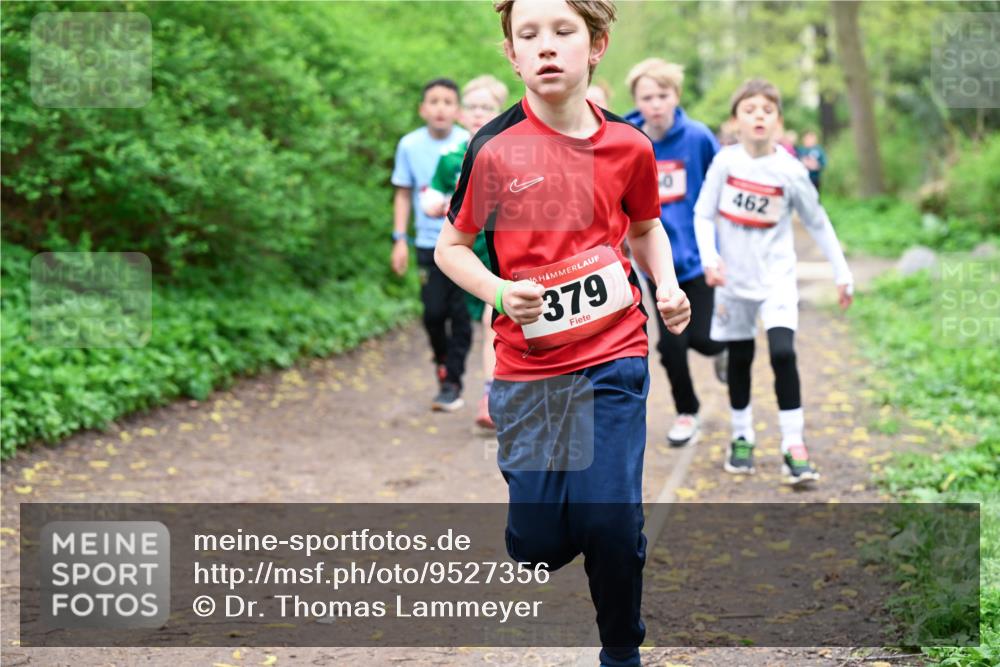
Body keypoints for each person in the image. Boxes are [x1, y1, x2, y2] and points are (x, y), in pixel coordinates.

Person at [434, 2, 691, 665]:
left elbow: (644, 227)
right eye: (529, 35)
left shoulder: (629, 147)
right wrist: (497, 290)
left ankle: (621, 649)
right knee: (540, 544)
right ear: (512, 55)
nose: (545, 47)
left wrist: (665, 282)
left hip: (614, 351)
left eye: (562, 32)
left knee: (610, 519)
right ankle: (551, 521)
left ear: (597, 44)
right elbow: (451, 247)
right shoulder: (491, 148)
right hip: (528, 367)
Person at [693, 79, 854, 486]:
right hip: (733, 281)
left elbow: (818, 222)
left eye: (767, 109)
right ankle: (742, 437)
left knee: (783, 353)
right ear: (735, 121)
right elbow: (703, 214)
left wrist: (842, 271)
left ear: (778, 121)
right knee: (741, 359)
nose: (759, 116)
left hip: (777, 279)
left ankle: (793, 445)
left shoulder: (790, 170)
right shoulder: (725, 163)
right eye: (750, 109)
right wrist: (710, 259)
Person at [623, 57, 727, 447]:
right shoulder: (629, 137)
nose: (655, 104)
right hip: (652, 260)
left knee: (702, 338)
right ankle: (687, 412)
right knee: (670, 344)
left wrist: (721, 250)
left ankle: (726, 349)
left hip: (698, 257)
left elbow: (721, 189)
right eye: (647, 97)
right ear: (636, 100)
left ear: (676, 97)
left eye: (662, 96)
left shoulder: (698, 137)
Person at [421, 75, 510, 430]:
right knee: (453, 319)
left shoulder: (509, 152)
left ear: (499, 113)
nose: (478, 114)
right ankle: (461, 380)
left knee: (493, 320)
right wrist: (435, 202)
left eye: (486, 108)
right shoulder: (451, 158)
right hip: (460, 255)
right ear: (461, 114)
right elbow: (433, 194)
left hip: (499, 252)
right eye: (472, 107)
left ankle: (492, 395)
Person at [390, 78, 471, 412]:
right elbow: (403, 193)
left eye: (448, 102)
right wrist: (399, 240)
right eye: (434, 102)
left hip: (465, 243)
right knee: (434, 313)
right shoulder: (409, 145)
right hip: (426, 242)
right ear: (423, 109)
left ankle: (452, 381)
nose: (440, 108)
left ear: (458, 110)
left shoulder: (470, 142)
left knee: (461, 314)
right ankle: (441, 360)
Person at [797, 130, 827, 194]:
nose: (809, 140)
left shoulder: (819, 150)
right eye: (807, 138)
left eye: (811, 138)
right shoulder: (800, 150)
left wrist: (816, 165)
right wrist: (803, 163)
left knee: (815, 196)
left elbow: (823, 163)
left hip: (814, 178)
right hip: (802, 179)